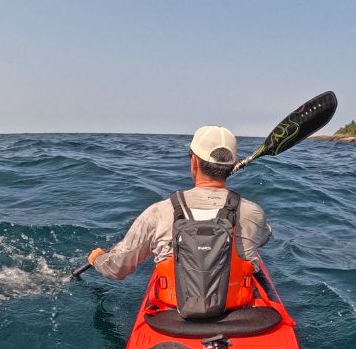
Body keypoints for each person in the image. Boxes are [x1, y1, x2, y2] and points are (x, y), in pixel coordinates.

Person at [86, 126, 271, 317]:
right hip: (237, 313)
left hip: (173, 317)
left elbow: (118, 269)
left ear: (194, 161)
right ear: (233, 164)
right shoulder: (254, 212)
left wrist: (98, 259)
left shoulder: (159, 212)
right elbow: (264, 238)